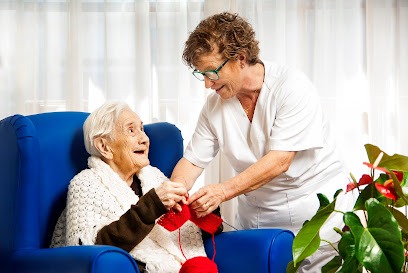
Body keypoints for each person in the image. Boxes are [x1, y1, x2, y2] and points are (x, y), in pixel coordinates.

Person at [170, 12, 354, 272]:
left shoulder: (292, 87)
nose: (208, 84)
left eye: (212, 72)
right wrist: (174, 192)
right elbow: (192, 160)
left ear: (241, 58)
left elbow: (280, 160)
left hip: (317, 217)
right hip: (258, 220)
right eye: (202, 75)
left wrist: (221, 191)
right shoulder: (214, 107)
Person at [50, 102, 219, 273]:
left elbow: (180, 236)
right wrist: (152, 206)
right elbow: (93, 249)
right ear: (104, 146)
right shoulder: (85, 185)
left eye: (142, 129)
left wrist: (204, 211)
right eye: (131, 131)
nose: (144, 139)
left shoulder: (154, 177)